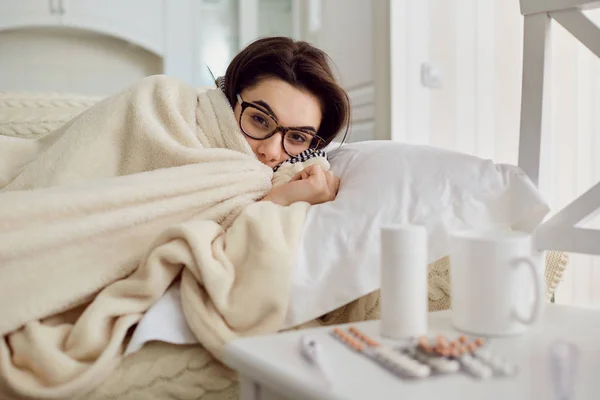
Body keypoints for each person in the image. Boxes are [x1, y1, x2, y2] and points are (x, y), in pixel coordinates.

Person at [218, 36, 350, 207]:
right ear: (232, 100)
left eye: (297, 137)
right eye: (260, 119)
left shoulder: (304, 173)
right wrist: (279, 201)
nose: (271, 152)